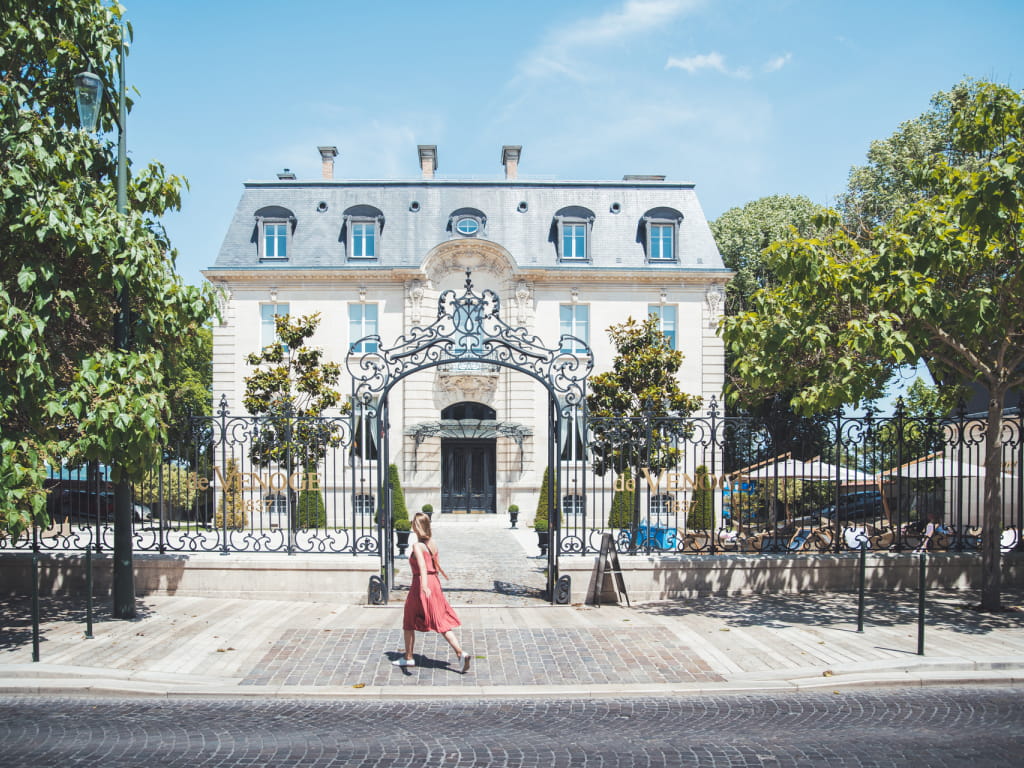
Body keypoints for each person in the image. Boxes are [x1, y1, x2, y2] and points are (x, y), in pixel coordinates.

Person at [393, 512, 471, 672]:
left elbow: (422, 566)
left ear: (417, 526)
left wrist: (423, 585)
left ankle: (408, 658)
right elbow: (435, 565)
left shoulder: (417, 546)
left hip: (421, 583)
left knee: (409, 619)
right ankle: (460, 652)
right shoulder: (432, 543)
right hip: (434, 582)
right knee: (440, 621)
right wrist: (430, 584)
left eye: (413, 523)